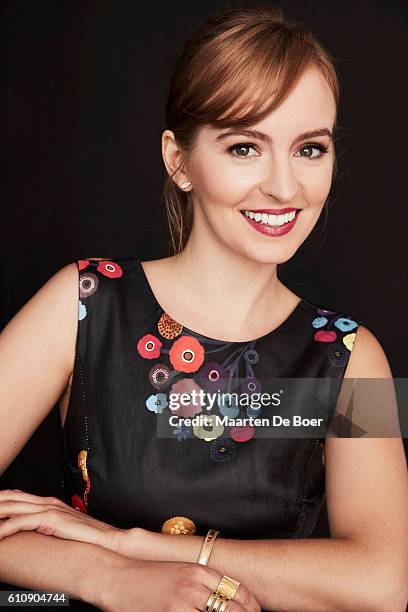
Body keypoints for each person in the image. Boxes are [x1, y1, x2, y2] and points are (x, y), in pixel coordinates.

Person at [1, 5, 407, 612]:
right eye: (245, 147)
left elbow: (382, 582)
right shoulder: (83, 303)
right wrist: (108, 578)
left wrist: (135, 547)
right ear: (177, 159)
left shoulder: (350, 358)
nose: (285, 187)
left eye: (310, 148)